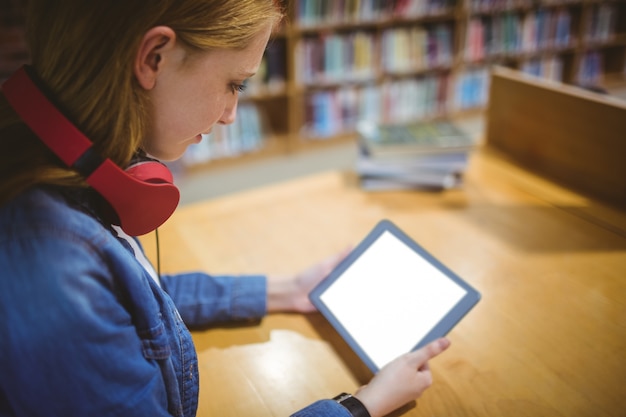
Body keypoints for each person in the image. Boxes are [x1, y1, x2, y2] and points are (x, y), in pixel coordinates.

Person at [0, 1, 451, 416]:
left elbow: (134, 301)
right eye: (234, 83)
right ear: (154, 56)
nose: (231, 114)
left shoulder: (55, 180)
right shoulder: (53, 267)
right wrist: (361, 405)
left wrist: (286, 290)